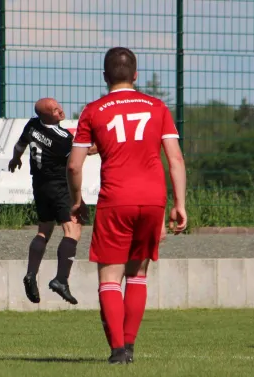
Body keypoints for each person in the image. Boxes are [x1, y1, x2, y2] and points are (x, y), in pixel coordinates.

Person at [67, 47, 187, 364]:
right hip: (152, 201)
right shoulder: (157, 107)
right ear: (135, 75)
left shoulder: (93, 111)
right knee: (137, 275)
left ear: (105, 77)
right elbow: (175, 159)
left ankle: (118, 351)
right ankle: (130, 347)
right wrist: (180, 204)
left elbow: (74, 167)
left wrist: (76, 201)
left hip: (115, 200)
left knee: (109, 278)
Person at [8, 98, 97, 305]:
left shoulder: (32, 125)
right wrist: (103, 143)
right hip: (58, 187)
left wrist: (15, 159)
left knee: (44, 230)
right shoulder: (62, 138)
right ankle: (61, 279)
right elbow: (86, 151)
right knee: (73, 229)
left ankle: (31, 273)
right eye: (55, 110)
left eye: (59, 107)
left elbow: (19, 145)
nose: (60, 111)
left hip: (39, 186)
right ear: (47, 116)